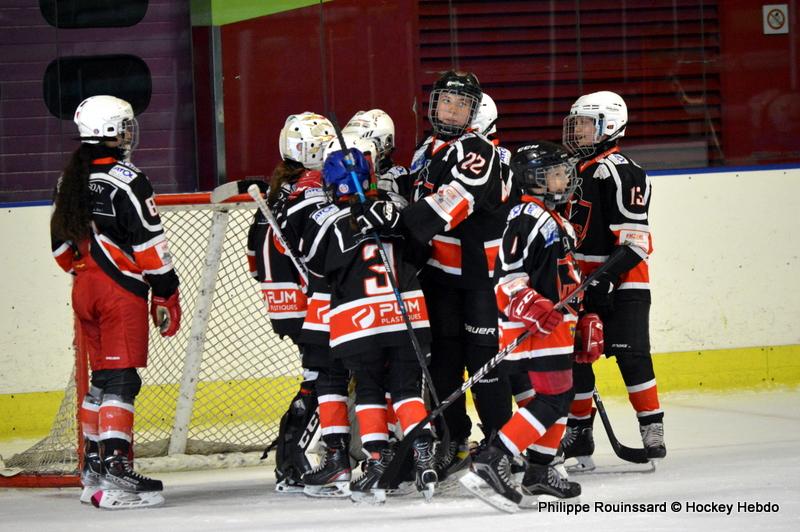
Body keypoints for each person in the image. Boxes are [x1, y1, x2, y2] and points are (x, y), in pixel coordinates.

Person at [50, 95, 181, 509]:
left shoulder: (68, 180)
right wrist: (166, 290)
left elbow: (60, 250)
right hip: (118, 291)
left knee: (102, 379)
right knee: (122, 380)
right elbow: (149, 245)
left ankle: (92, 471)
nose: (129, 133)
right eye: (124, 126)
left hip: (84, 288)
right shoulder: (129, 179)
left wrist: (86, 271)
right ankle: (116, 473)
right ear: (110, 131)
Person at [460, 141, 602, 512]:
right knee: (553, 398)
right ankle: (494, 458)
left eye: (562, 172)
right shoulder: (527, 217)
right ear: (533, 179)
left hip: (554, 325)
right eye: (554, 173)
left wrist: (581, 316)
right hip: (535, 327)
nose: (563, 179)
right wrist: (532, 306)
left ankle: (539, 470)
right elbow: (507, 279)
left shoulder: (555, 220)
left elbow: (565, 278)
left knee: (561, 397)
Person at [298, 147, 437, 501]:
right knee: (405, 389)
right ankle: (423, 450)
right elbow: (422, 253)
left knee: (370, 389)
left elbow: (317, 265)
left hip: (360, 320)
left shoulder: (331, 221)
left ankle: (378, 460)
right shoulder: (397, 211)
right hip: (406, 314)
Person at [399, 71, 513, 476]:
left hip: (479, 278)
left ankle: (500, 442)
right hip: (438, 276)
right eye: (446, 101)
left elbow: (451, 203)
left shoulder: (477, 150)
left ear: (472, 112)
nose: (451, 110)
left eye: (461, 104)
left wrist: (396, 224)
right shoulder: (425, 149)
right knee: (443, 363)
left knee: (484, 363)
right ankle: (454, 439)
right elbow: (411, 193)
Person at [561, 91, 665, 468]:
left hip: (624, 281)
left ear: (610, 126)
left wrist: (606, 279)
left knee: (631, 354)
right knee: (576, 359)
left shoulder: (622, 171)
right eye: (577, 123)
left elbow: (636, 242)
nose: (578, 130)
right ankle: (579, 435)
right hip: (579, 282)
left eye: (586, 124)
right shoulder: (572, 169)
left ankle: (651, 427)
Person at [246, 112, 338, 493]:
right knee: (327, 378)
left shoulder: (275, 193)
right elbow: (323, 252)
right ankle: (297, 459)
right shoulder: (313, 191)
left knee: (316, 376)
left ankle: (293, 460)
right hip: (310, 303)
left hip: (283, 303)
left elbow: (254, 260)